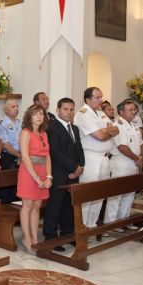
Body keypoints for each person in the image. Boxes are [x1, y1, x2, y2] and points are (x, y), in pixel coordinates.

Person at [73, 87, 118, 228]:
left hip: (104, 158)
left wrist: (106, 131)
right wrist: (107, 131)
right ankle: (82, 227)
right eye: (97, 97)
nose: (101, 100)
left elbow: (116, 129)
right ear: (88, 99)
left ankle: (92, 226)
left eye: (101, 97)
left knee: (99, 194)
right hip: (90, 157)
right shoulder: (83, 113)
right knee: (88, 194)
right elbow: (99, 136)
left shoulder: (100, 113)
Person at [44, 98, 84, 252]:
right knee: (55, 205)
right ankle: (51, 237)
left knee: (69, 205)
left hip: (74, 173)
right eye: (66, 109)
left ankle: (68, 234)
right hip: (59, 172)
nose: (69, 112)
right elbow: (56, 153)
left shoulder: (74, 128)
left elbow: (79, 149)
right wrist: (73, 167)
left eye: (71, 109)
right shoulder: (52, 128)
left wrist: (80, 166)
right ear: (58, 110)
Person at [16, 104, 51, 254]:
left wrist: (49, 176)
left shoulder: (43, 133)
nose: (39, 117)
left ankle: (36, 238)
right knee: (28, 206)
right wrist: (36, 178)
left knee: (37, 206)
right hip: (29, 172)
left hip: (43, 171)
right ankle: (27, 239)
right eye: (36, 114)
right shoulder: (25, 132)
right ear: (29, 116)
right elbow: (24, 156)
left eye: (41, 114)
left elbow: (48, 155)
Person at [105, 100, 143, 230]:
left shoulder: (135, 125)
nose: (134, 112)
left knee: (129, 193)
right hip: (121, 163)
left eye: (134, 109)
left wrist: (141, 157)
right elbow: (121, 146)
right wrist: (136, 158)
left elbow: (141, 143)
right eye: (130, 109)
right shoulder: (117, 125)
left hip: (134, 163)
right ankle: (111, 223)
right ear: (121, 112)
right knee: (116, 195)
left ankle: (124, 221)